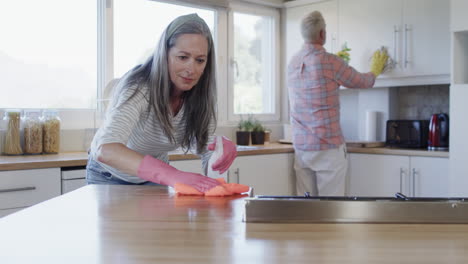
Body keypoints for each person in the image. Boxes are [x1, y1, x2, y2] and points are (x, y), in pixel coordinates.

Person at [86, 13, 237, 193]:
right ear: (164, 54)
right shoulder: (139, 88)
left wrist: (218, 154)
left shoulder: (200, 97)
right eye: (183, 57)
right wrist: (174, 175)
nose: (191, 69)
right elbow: (106, 149)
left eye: (199, 60)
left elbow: (206, 150)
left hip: (154, 180)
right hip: (108, 178)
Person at [287, 11, 388, 196]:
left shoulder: (292, 62)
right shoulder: (331, 61)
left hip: (302, 148)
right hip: (328, 148)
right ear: (322, 34)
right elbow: (363, 81)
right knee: (332, 209)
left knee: (304, 209)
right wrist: (375, 70)